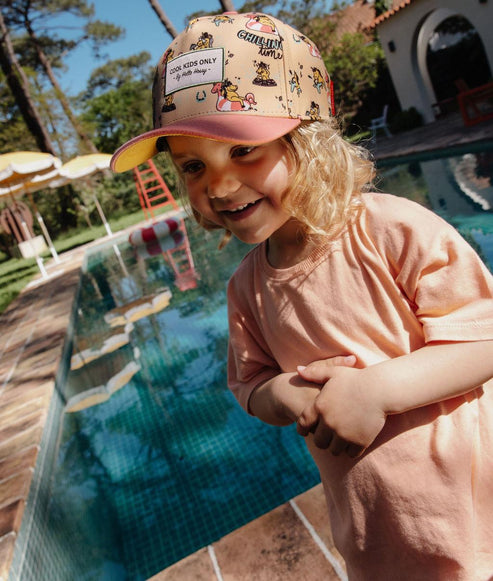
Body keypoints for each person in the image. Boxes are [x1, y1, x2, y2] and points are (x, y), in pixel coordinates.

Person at [111, 11, 493, 580]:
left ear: (309, 142)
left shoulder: (390, 231)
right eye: (194, 166)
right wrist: (288, 394)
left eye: (243, 151)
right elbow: (250, 386)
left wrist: (376, 391)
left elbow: (483, 337)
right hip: (375, 534)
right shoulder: (246, 291)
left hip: (474, 515)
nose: (219, 185)